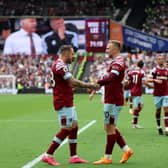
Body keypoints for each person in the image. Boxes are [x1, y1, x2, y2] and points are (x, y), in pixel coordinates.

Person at [42, 45, 99, 166]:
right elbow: (72, 81)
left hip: (68, 100)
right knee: (66, 128)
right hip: (62, 101)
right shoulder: (60, 65)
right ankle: (48, 155)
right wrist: (90, 85)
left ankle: (74, 156)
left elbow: (70, 85)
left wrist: (85, 88)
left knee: (74, 126)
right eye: (72, 54)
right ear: (66, 53)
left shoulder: (62, 65)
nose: (73, 56)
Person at [93, 40, 134, 165]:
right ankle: (126, 150)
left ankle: (107, 157)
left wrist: (98, 83)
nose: (106, 50)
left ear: (115, 49)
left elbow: (112, 77)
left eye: (108, 48)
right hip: (111, 99)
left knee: (110, 127)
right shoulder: (115, 62)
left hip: (113, 100)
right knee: (109, 126)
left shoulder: (118, 62)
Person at [127, 60, 152, 128]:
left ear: (137, 64)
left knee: (141, 106)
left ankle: (134, 118)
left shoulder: (130, 71)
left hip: (132, 90)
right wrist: (152, 86)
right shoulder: (142, 72)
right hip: (137, 92)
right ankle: (135, 124)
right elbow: (144, 82)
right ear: (142, 65)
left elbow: (128, 81)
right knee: (138, 107)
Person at [148, 55, 168, 135]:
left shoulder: (166, 70)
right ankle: (159, 126)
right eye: (159, 59)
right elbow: (147, 79)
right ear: (157, 60)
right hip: (157, 94)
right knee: (158, 111)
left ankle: (167, 128)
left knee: (166, 109)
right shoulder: (154, 70)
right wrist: (154, 80)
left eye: (162, 59)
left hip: (166, 93)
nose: (161, 60)